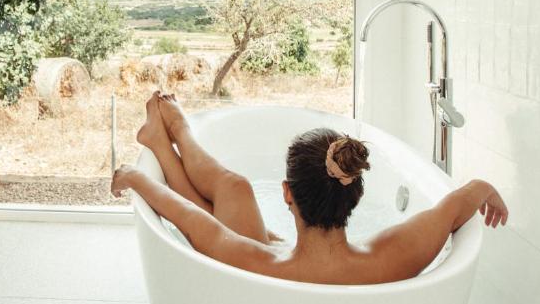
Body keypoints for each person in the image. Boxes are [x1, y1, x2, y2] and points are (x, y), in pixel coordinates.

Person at [112, 92, 508, 285]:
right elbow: (455, 205)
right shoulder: (392, 259)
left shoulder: (255, 262)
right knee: (233, 192)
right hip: (293, 253)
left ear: (287, 194)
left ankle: (175, 134)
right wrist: (483, 187)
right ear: (355, 193)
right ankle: (166, 140)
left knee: (231, 190)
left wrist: (134, 177)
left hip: (283, 260)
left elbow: (186, 216)